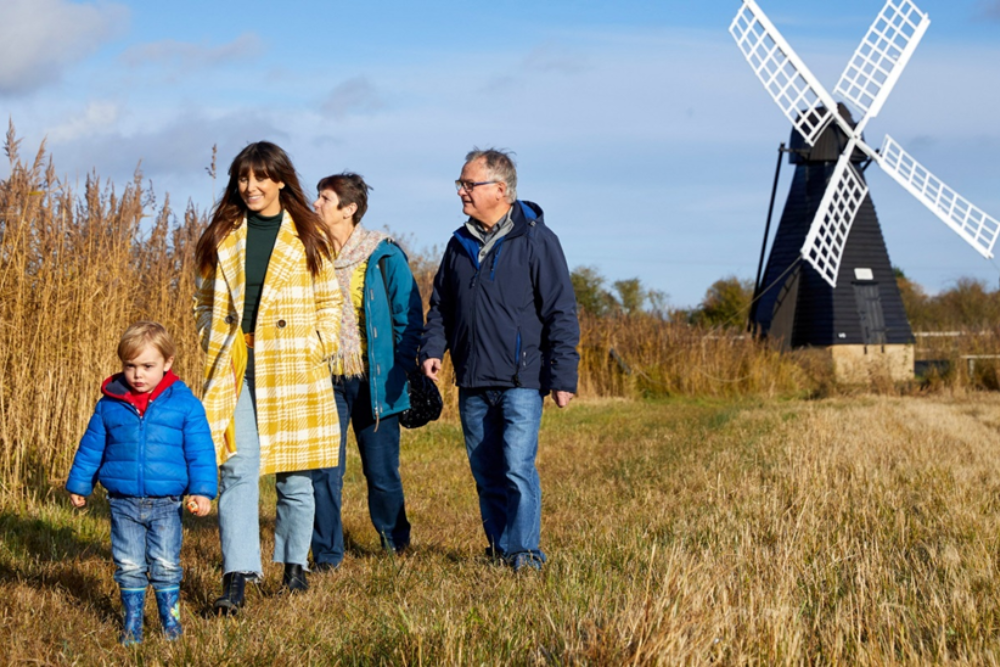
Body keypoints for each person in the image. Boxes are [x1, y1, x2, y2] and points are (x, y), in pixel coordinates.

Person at [194, 141, 342, 613]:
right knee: (237, 467)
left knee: (295, 473)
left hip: (294, 365)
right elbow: (203, 301)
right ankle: (237, 575)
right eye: (242, 178)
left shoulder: (307, 232)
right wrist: (210, 337)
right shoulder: (223, 233)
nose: (250, 186)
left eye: (260, 177)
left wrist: (318, 344)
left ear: (280, 180)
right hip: (237, 364)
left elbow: (330, 302)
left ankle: (294, 567)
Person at [421, 148, 580, 572]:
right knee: (487, 472)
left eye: (469, 184)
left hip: (520, 378)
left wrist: (563, 375)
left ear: (501, 190)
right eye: (461, 183)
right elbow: (441, 307)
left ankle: (525, 553)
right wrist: (433, 349)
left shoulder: (537, 240)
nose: (461, 192)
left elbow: (560, 311)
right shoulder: (458, 244)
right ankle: (499, 548)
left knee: (516, 467)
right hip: (472, 378)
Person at [65, 321, 217, 645]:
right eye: (130, 365)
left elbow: (201, 450)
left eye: (147, 366)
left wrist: (202, 491)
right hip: (123, 503)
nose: (138, 374)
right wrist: (80, 485)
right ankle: (132, 625)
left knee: (165, 564)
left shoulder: (185, 404)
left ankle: (170, 624)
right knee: (129, 564)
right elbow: (92, 447)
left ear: (167, 363)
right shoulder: (109, 404)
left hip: (167, 504)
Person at [309, 173, 424, 570]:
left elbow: (407, 318)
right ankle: (326, 555)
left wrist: (401, 369)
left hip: (376, 379)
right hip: (326, 377)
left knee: (381, 473)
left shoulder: (383, 253)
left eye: (325, 198)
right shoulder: (309, 253)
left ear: (349, 208)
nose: (316, 204)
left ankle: (396, 545)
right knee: (325, 471)